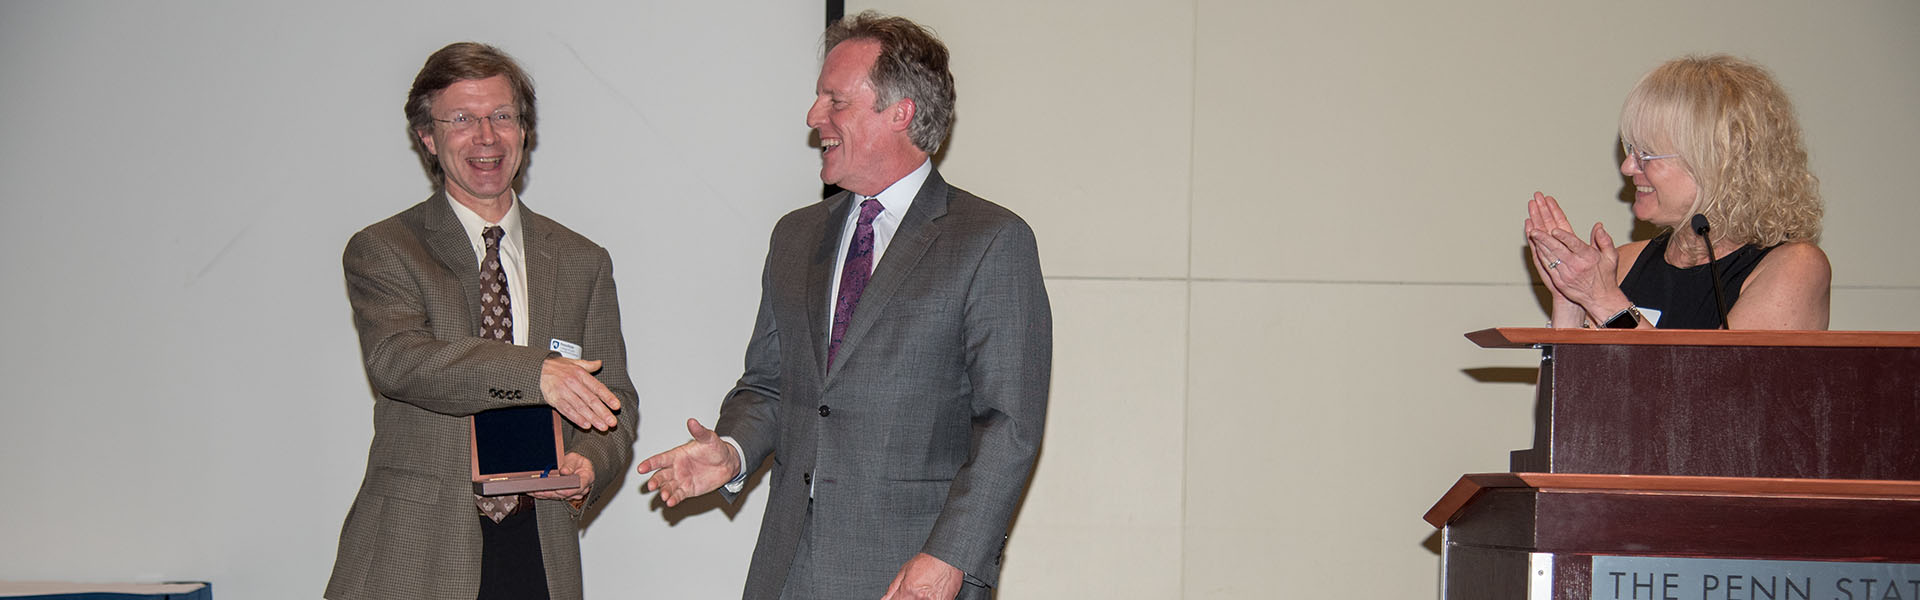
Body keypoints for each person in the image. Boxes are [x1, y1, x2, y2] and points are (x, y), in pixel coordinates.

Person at [635, 11, 1051, 600]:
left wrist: (950, 556)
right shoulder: (795, 236)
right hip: (787, 569)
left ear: (899, 111)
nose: (813, 118)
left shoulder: (988, 240)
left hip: (911, 573)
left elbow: (1009, 425)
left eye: (835, 100)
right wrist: (731, 451)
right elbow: (771, 386)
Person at [327, 42, 638, 600]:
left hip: (538, 547)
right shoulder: (385, 249)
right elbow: (400, 360)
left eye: (502, 117)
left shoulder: (581, 260)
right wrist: (537, 372)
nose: (486, 137)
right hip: (415, 549)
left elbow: (614, 399)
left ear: (524, 131)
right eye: (463, 120)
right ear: (428, 136)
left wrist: (590, 464)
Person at [1525, 54, 1830, 330]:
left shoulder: (1795, 268)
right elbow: (1565, 392)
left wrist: (1603, 300)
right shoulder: (1623, 264)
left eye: (1647, 153)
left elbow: (1712, 386)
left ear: (1714, 162)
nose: (1628, 167)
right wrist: (1569, 301)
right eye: (1630, 149)